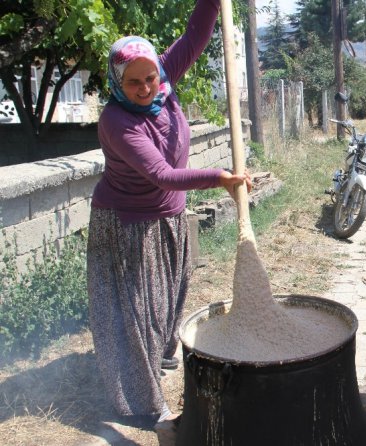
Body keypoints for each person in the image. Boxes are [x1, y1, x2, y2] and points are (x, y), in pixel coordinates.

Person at [87, 0, 251, 428]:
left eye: (150, 77)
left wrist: (211, 4)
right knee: (136, 312)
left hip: (170, 217)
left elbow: (195, 36)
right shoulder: (117, 121)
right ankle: (142, 403)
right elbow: (161, 174)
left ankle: (158, 358)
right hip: (127, 223)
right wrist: (221, 178)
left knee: (167, 301)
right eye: (133, 82)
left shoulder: (162, 81)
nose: (146, 88)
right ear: (117, 82)